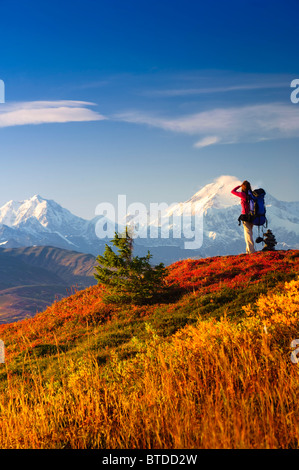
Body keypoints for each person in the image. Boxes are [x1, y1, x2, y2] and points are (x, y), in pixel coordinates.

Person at [231, 181, 256, 254]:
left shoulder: (243, 194)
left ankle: (251, 251)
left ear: (243, 187)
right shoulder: (252, 194)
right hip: (253, 216)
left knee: (248, 233)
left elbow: (232, 191)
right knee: (249, 233)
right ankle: (248, 250)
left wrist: (239, 186)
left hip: (245, 216)